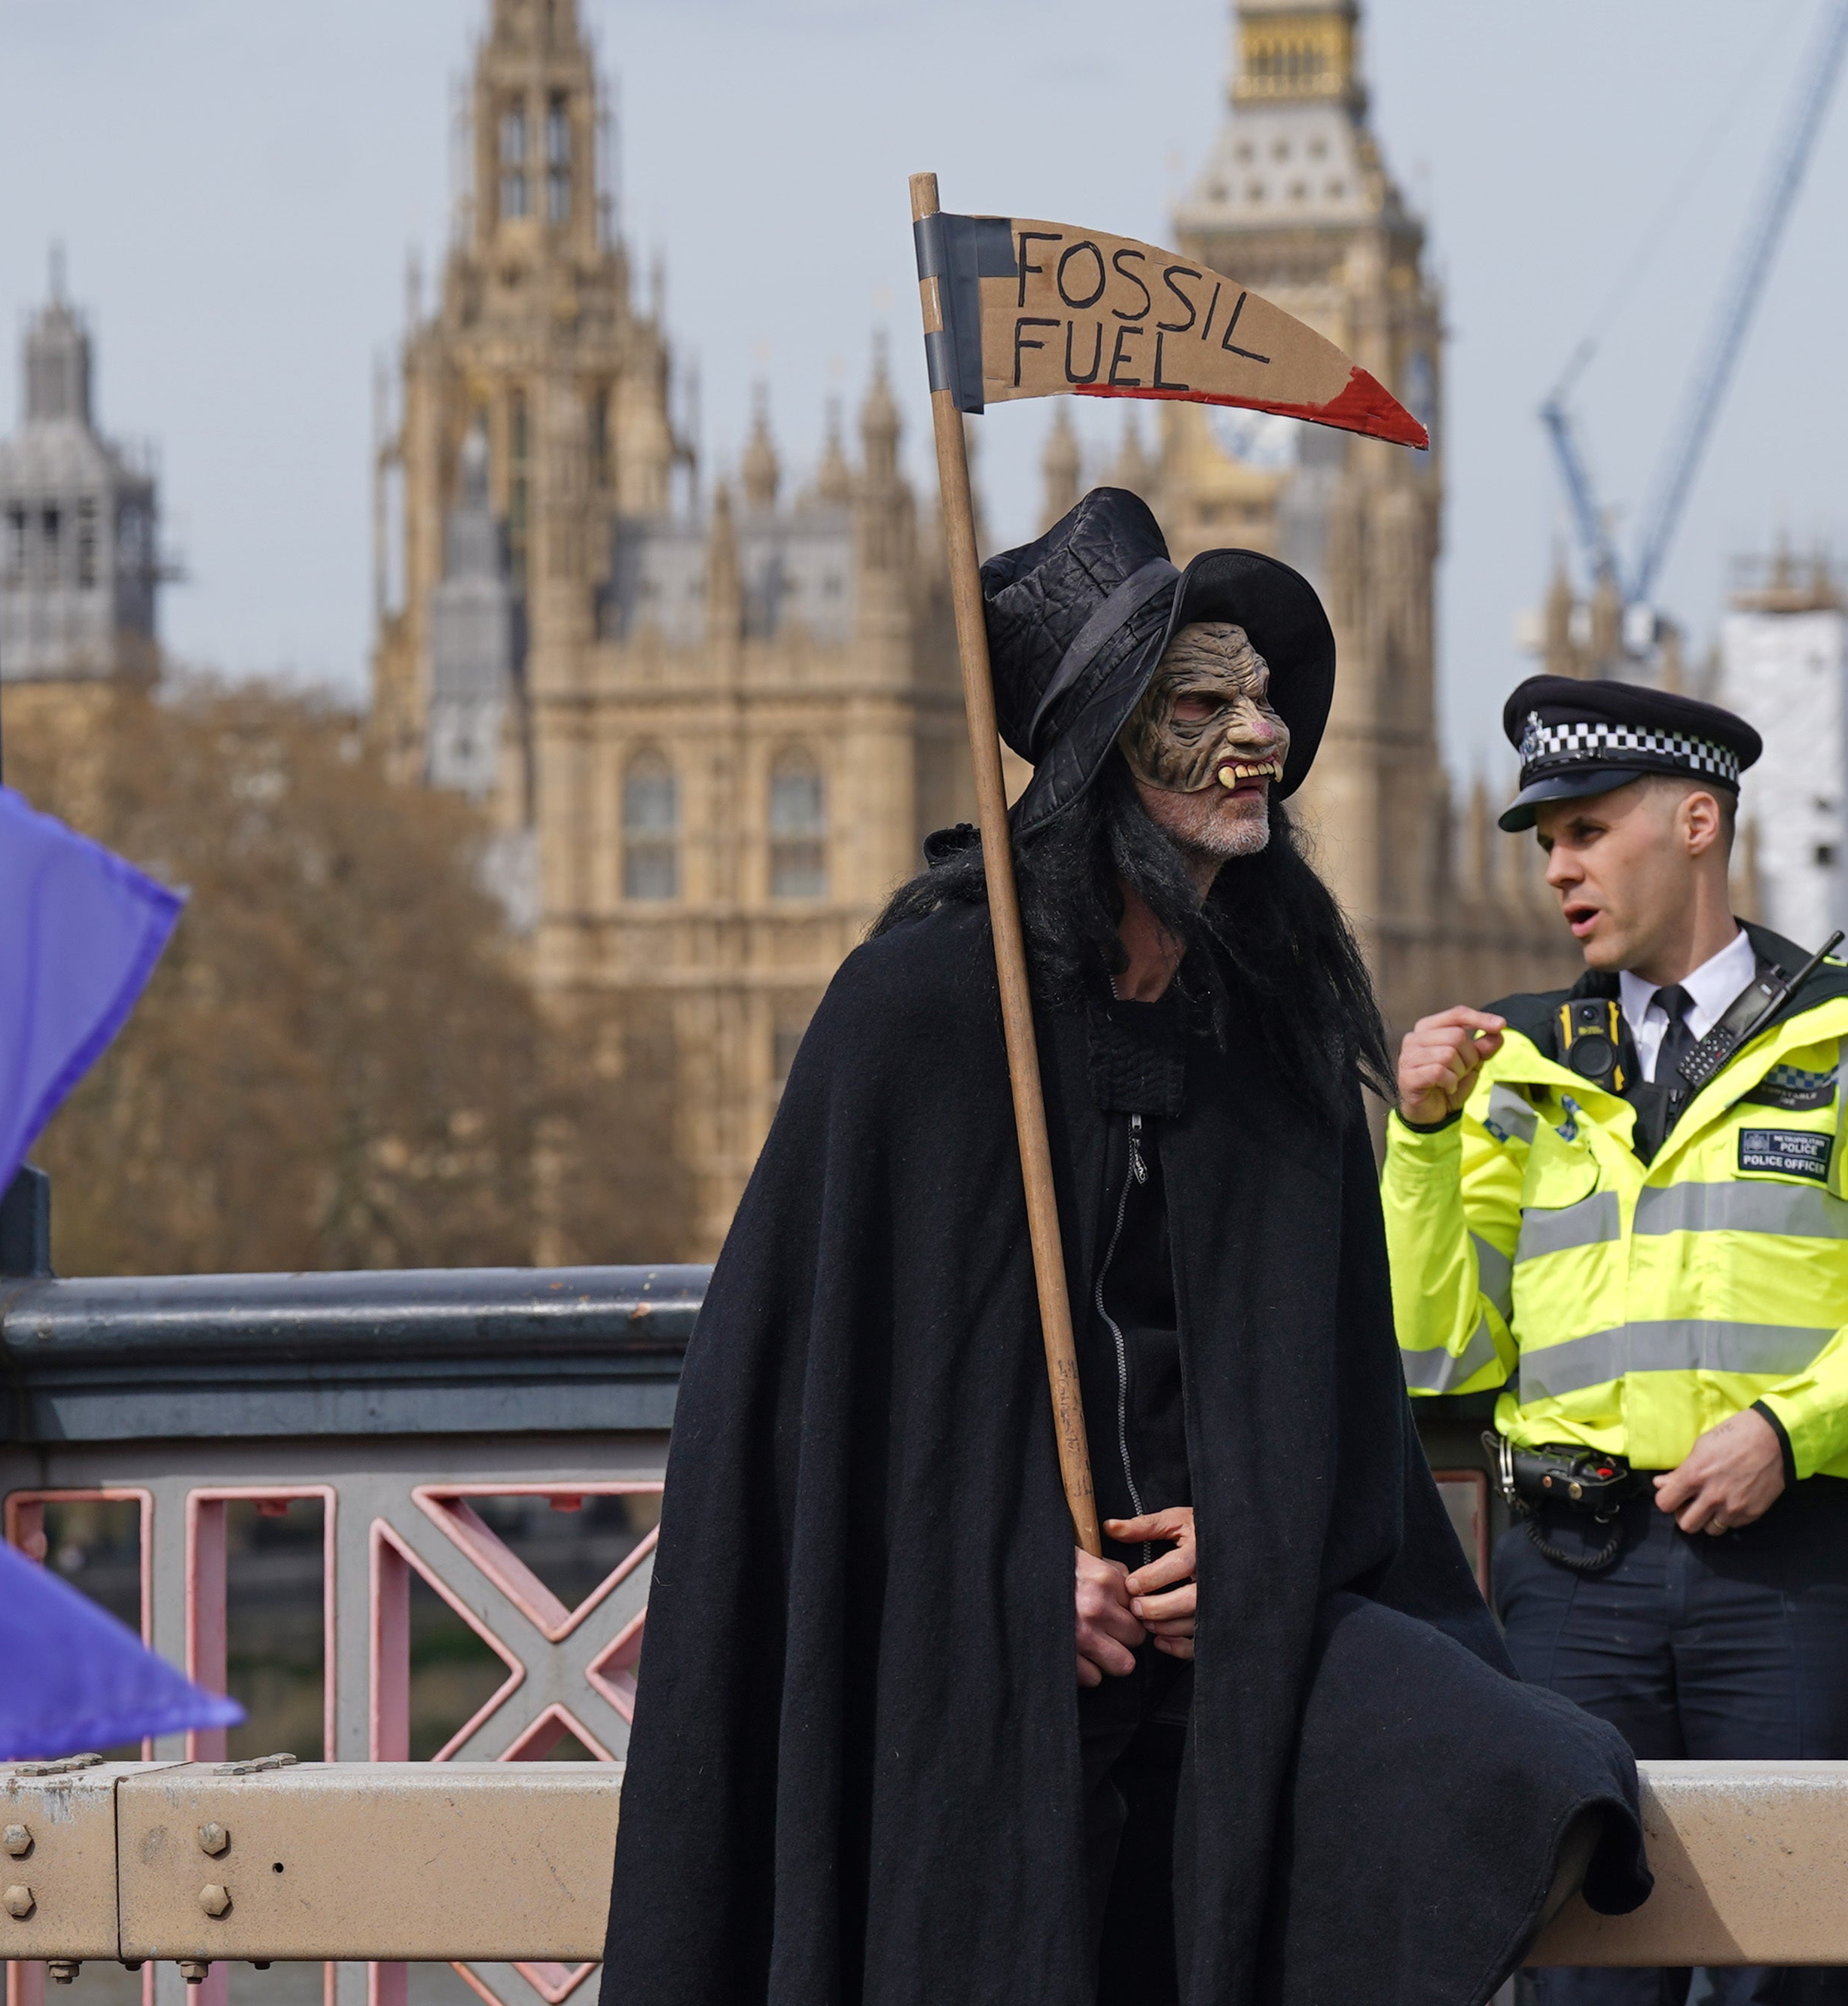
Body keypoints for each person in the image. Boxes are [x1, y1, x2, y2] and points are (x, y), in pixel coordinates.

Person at [603, 490, 1645, 2006]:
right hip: (973, 1701)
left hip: (1229, 1682)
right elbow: (798, 1443)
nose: (1262, 737)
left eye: (1267, 699)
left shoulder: (1271, 1035)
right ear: (1101, 749)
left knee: (1515, 1767)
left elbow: (1339, 1416)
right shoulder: (925, 1018)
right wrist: (1014, 1578)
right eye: (1205, 703)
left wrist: (1257, 1541)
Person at [1386, 675, 1848, 2006]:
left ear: (1698, 823)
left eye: (1588, 831)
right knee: (1579, 1971)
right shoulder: (1518, 1061)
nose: (1558, 869)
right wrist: (1424, 1144)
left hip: (1794, 1580)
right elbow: (1438, 1355)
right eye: (1546, 843)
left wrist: (1792, 1428)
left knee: (1792, 1967)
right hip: (1566, 1582)